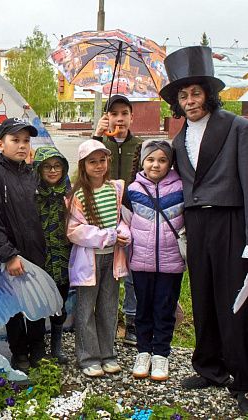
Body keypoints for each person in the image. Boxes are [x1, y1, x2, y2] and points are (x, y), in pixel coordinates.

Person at [161, 45, 248, 414]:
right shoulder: (178, 138)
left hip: (231, 219)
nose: (190, 100)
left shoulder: (237, 126)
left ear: (209, 95)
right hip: (197, 223)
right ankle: (210, 367)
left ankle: (244, 379)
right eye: (184, 95)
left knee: (236, 301)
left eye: (196, 93)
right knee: (203, 294)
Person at [0, 117, 47, 372]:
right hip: (12, 258)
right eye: (15, 140)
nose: (21, 145)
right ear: (0, 143)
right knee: (14, 307)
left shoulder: (32, 175)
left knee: (37, 302)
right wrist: (8, 255)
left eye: (26, 141)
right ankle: (19, 353)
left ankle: (39, 349)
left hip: (36, 254)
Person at [66, 139, 130, 377]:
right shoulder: (78, 195)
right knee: (85, 309)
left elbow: (124, 219)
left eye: (102, 160)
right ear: (83, 165)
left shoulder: (116, 189)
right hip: (88, 260)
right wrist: (108, 236)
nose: (98, 166)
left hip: (113, 259)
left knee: (109, 306)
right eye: (92, 161)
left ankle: (108, 354)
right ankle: (88, 357)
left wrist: (123, 233)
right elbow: (74, 230)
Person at [124, 140, 184, 381]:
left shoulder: (181, 188)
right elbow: (125, 222)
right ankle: (143, 352)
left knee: (165, 308)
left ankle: (161, 355)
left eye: (162, 160)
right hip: (141, 261)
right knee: (143, 309)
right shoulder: (132, 190)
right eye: (150, 159)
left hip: (171, 263)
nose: (156, 165)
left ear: (170, 163)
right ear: (142, 162)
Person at [93, 94, 143, 346]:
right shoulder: (100, 144)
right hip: (104, 217)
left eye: (124, 113)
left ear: (131, 117)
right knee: (106, 272)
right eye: (114, 114)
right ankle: (105, 321)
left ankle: (132, 320)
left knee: (133, 272)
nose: (119, 118)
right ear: (107, 117)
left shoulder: (142, 146)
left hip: (135, 219)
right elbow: (82, 175)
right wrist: (96, 137)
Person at [33, 145, 72, 365]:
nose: (52, 170)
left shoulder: (69, 194)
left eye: (57, 166)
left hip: (63, 259)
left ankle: (57, 345)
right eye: (47, 166)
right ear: (38, 168)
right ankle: (38, 348)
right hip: (39, 260)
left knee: (60, 302)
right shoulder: (31, 195)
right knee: (38, 304)